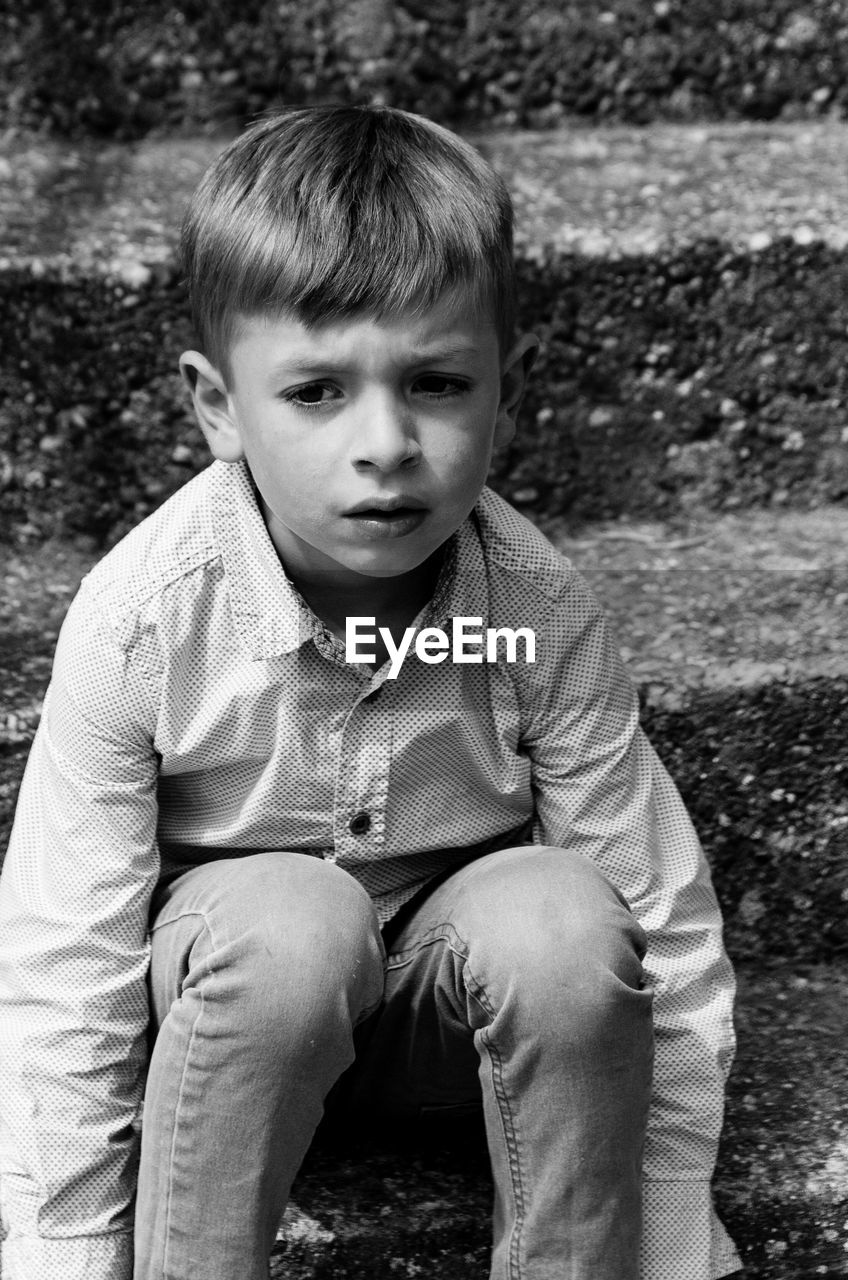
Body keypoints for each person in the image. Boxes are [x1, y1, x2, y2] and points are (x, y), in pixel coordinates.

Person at [0, 105, 741, 1280]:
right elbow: (65, 958)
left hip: (451, 1029)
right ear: (216, 406)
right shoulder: (142, 618)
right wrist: (67, 1249)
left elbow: (664, 920)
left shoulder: (539, 610)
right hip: (233, 1023)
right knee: (292, 923)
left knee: (563, 913)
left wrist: (664, 1227)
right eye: (315, 393)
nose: (386, 442)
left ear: (505, 390)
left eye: (437, 382)